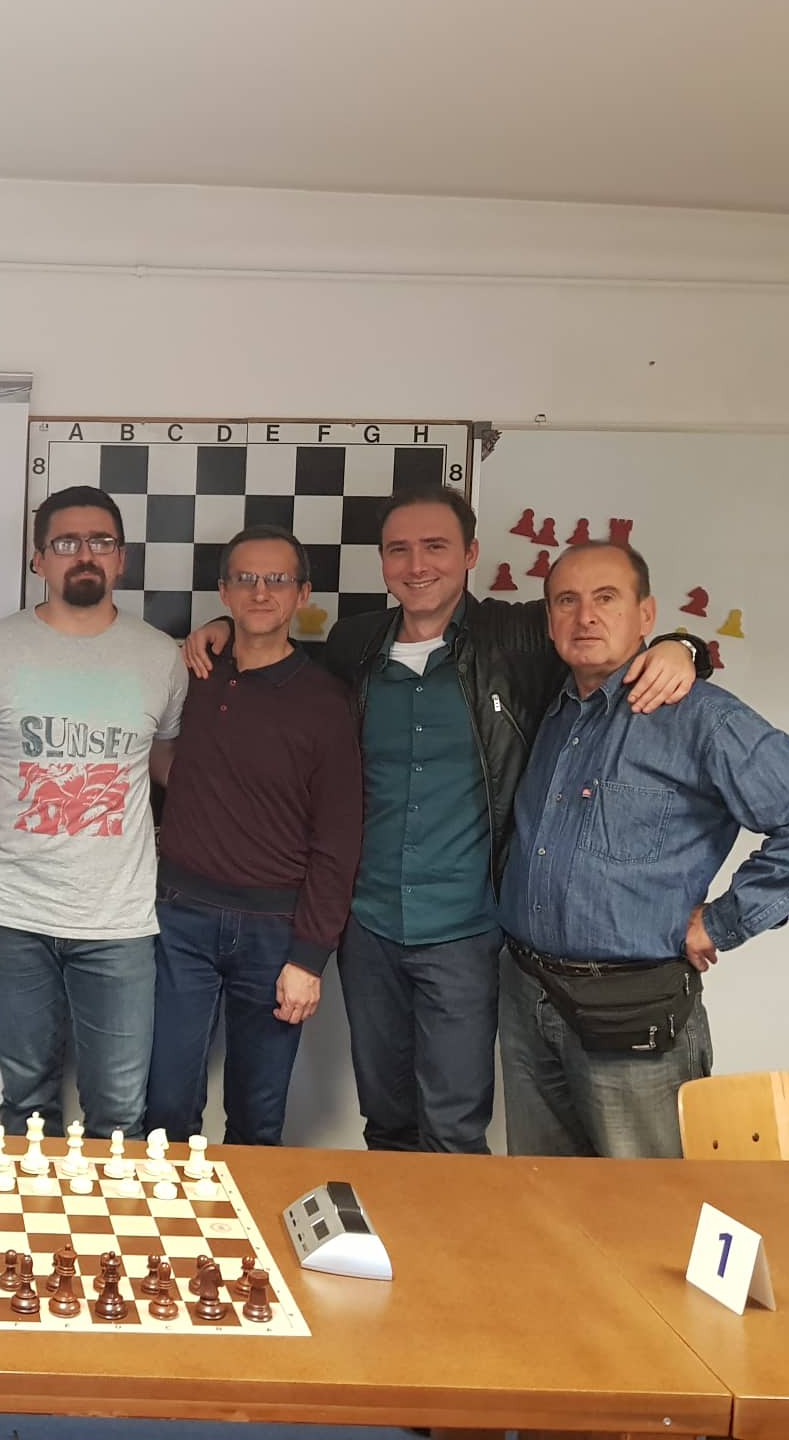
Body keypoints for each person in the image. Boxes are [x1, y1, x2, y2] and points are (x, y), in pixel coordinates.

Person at [186, 488, 709, 1154]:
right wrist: (225, 626)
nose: (417, 565)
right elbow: (277, 657)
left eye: (435, 546)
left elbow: (598, 629)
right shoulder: (354, 642)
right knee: (386, 1120)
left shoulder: (517, 636)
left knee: (454, 1129)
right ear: (382, 560)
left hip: (466, 926)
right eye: (399, 549)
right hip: (368, 923)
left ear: (469, 554)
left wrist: (682, 646)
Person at [498, 542, 789, 1156]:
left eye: (606, 598)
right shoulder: (551, 711)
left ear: (646, 615)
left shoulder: (700, 717)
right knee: (543, 1197)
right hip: (527, 998)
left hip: (633, 1012)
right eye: (567, 601)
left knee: (650, 1200)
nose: (586, 616)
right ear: (550, 620)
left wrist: (722, 922)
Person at [0, 484, 187, 1139]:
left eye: (101, 541)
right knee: (26, 1107)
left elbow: (170, 766)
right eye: (67, 542)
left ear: (121, 558)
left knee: (120, 1116)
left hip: (120, 921)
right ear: (39, 559)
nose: (85, 554)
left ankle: (108, 1217)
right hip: (14, 915)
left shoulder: (161, 657)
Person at [144, 525, 362, 1147]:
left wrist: (309, 957)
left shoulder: (327, 701)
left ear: (302, 594)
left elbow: (338, 840)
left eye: (277, 580)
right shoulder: (192, 673)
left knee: (257, 1121)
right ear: (224, 591)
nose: (260, 592)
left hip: (275, 933)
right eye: (245, 579)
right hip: (180, 920)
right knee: (164, 1110)